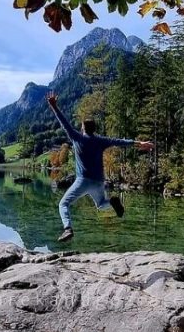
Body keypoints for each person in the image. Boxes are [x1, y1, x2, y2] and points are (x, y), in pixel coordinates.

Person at [46, 91, 154, 242]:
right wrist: (139, 144)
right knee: (101, 204)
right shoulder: (101, 140)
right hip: (98, 181)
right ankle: (112, 202)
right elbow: (119, 141)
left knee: (63, 204)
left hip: (83, 181)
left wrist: (53, 106)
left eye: (81, 126)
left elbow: (64, 123)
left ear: (83, 128)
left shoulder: (77, 138)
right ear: (94, 129)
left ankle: (68, 229)